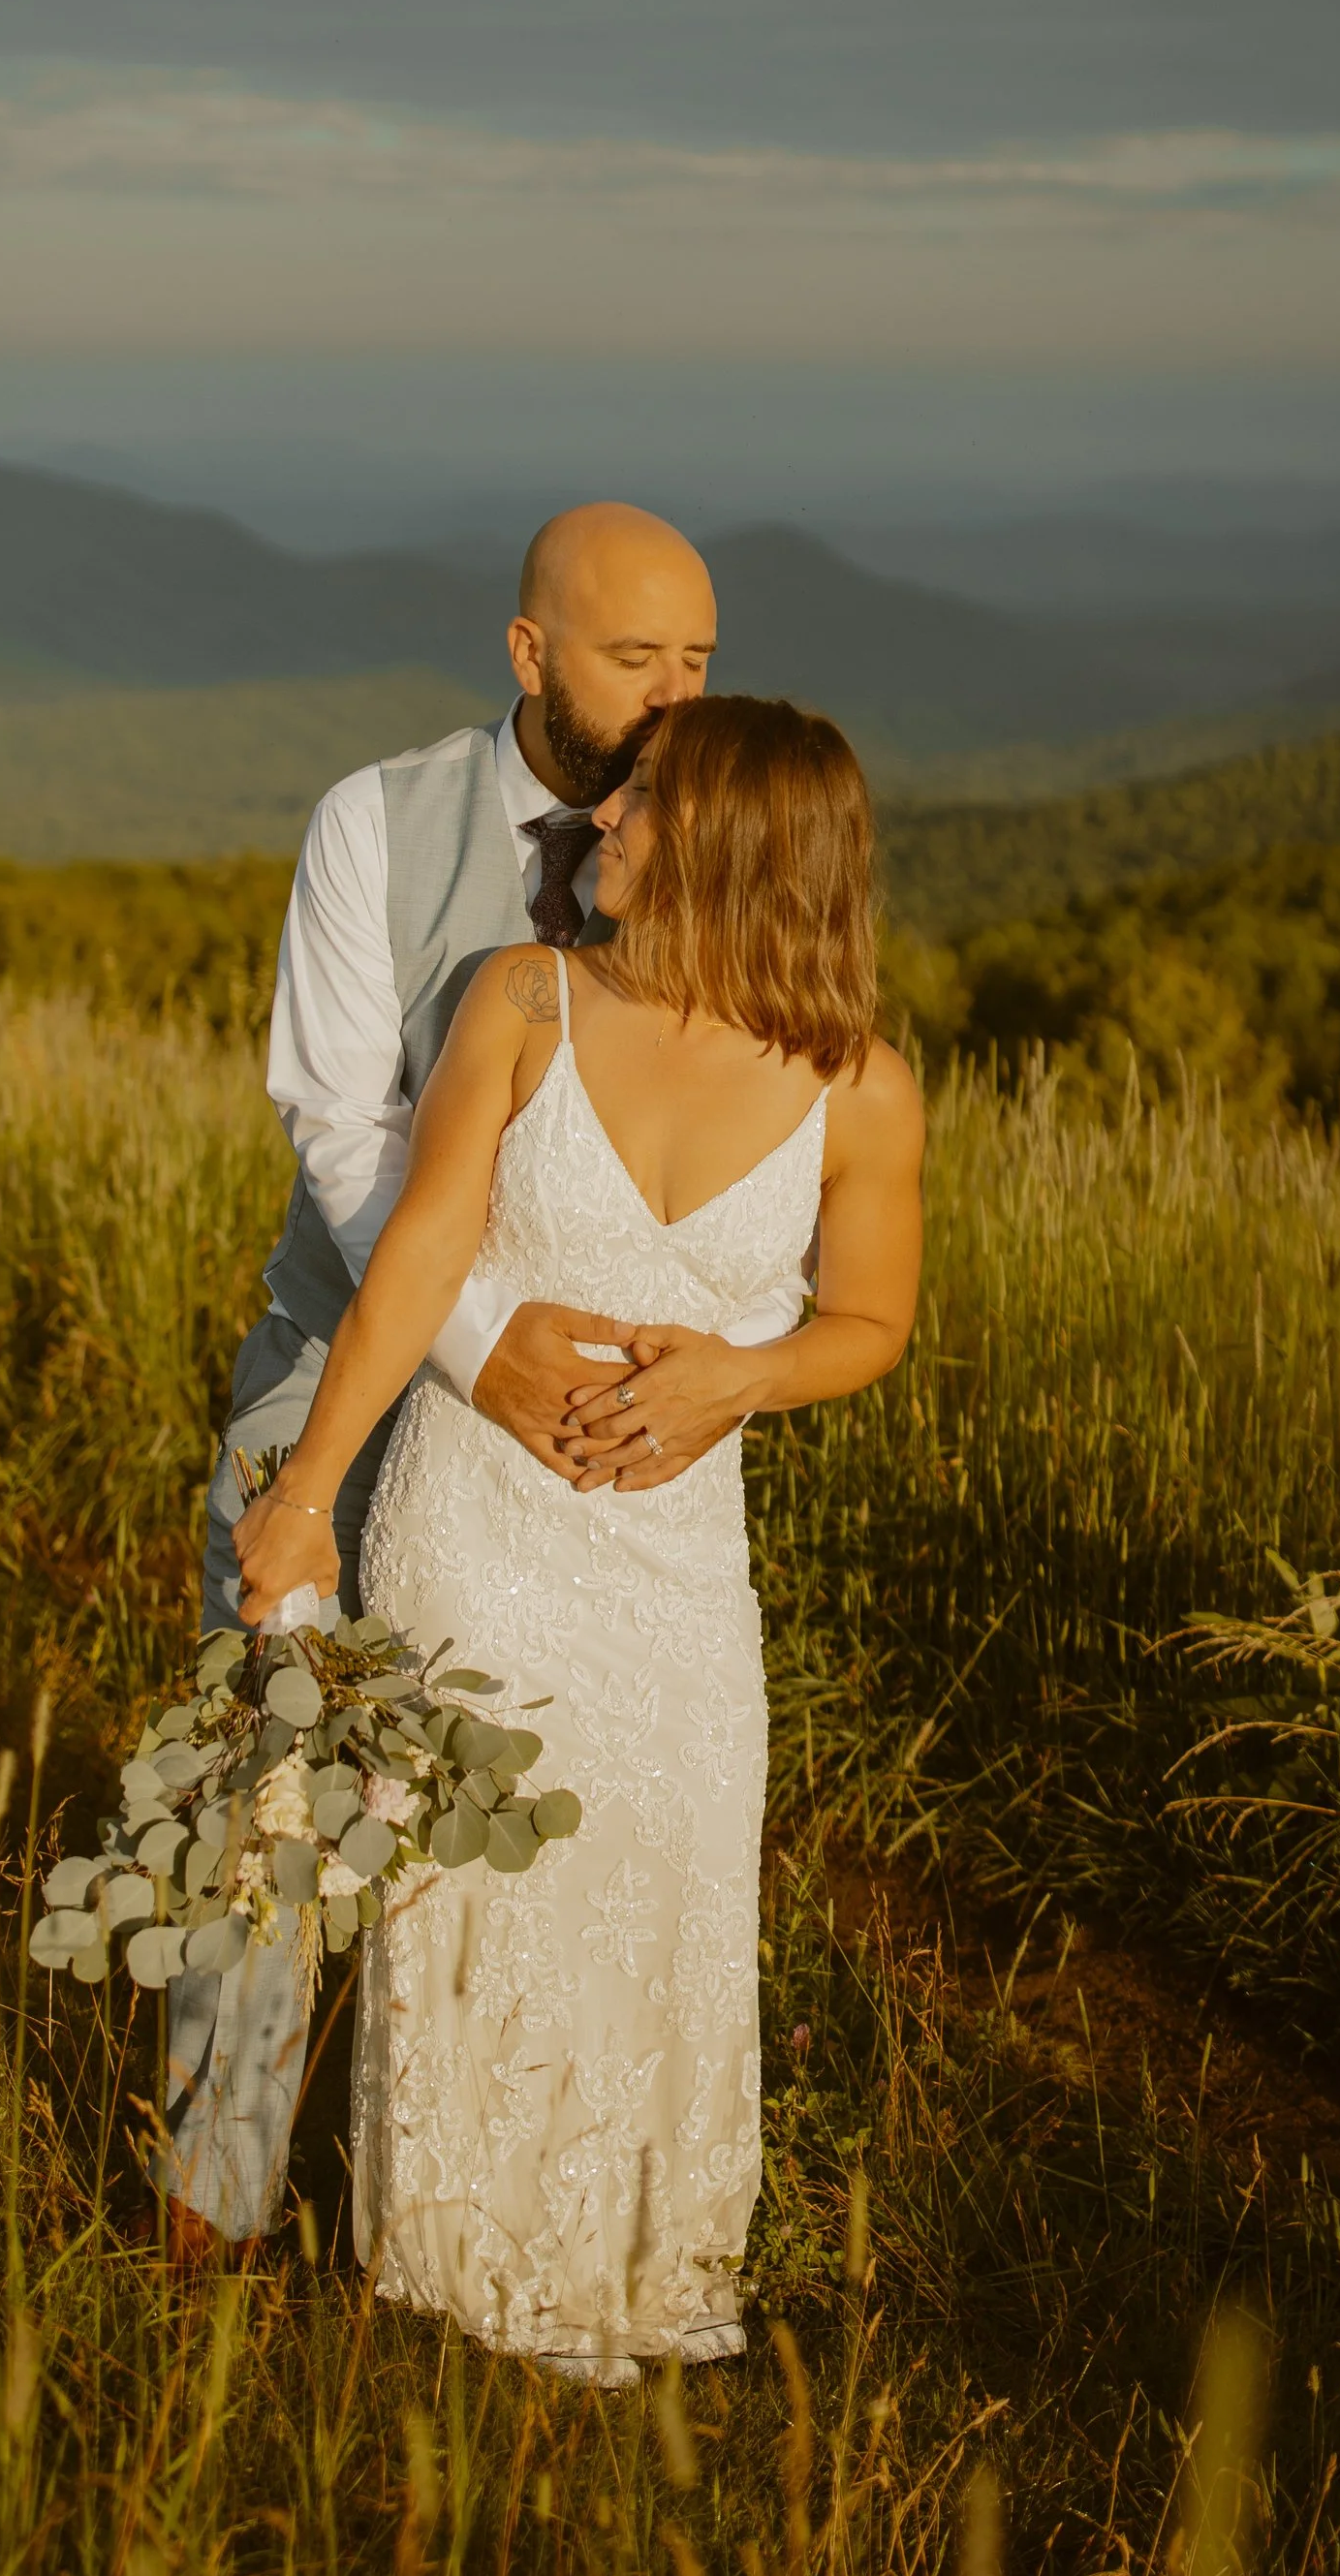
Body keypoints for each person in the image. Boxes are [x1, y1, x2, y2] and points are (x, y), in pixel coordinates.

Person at [234, 695, 924, 2378]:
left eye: (637, 806)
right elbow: (412, 1265)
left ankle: (639, 2266)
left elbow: (872, 1322)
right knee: (475, 1898)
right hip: (474, 1534)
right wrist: (305, 1490)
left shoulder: (866, 1085)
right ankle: (456, 2276)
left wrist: (740, 1382)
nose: (596, 824)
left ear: (730, 847)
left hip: (684, 1581)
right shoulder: (520, 1001)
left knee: (666, 1892)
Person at [160, 502, 722, 2237]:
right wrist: (482, 1349)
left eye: (702, 660)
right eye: (639, 659)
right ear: (530, 652)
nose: (675, 696)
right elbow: (343, 1137)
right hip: (349, 1361)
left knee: (531, 1820)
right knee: (271, 1769)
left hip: (586, 1445)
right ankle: (212, 2198)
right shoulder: (373, 824)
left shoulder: (712, 834)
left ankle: (467, 2198)